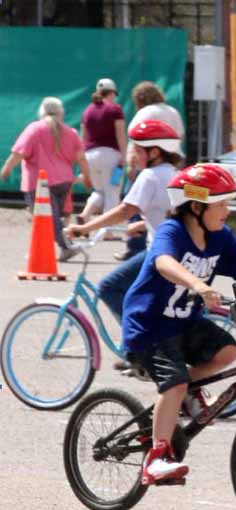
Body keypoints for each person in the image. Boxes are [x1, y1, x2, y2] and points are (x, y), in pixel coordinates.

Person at [120, 164, 236, 485]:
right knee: (173, 383)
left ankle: (184, 392)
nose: (227, 210)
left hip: (184, 322)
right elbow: (164, 262)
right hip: (149, 326)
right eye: (221, 204)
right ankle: (156, 458)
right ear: (196, 205)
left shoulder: (222, 237)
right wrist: (199, 285)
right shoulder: (171, 231)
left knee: (228, 352)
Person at [66, 119, 183, 337]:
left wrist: (84, 228)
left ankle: (137, 343)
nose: (132, 156)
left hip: (158, 255)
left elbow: (124, 211)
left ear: (155, 152)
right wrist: (145, 224)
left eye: (137, 150)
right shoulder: (175, 173)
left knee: (109, 287)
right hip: (178, 253)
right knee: (143, 299)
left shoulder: (149, 176)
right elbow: (174, 215)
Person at [0, 96, 92, 262]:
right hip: (64, 181)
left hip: (39, 183)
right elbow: (81, 158)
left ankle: (66, 246)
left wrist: (6, 169)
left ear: (41, 111)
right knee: (52, 218)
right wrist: (87, 177)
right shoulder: (70, 132)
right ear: (61, 112)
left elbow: (18, 154)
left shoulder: (34, 129)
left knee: (47, 219)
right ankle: (46, 249)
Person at [116, 80, 186, 262]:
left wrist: (132, 164)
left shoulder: (145, 112)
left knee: (135, 202)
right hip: (173, 161)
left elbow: (135, 138)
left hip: (149, 163)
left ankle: (135, 248)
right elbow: (181, 136)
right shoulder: (173, 112)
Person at [78, 78, 127, 224]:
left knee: (99, 191)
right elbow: (120, 134)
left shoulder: (87, 111)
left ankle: (85, 215)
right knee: (112, 193)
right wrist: (124, 156)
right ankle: (107, 230)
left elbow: (84, 137)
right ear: (111, 93)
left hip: (90, 156)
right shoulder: (115, 109)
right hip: (110, 156)